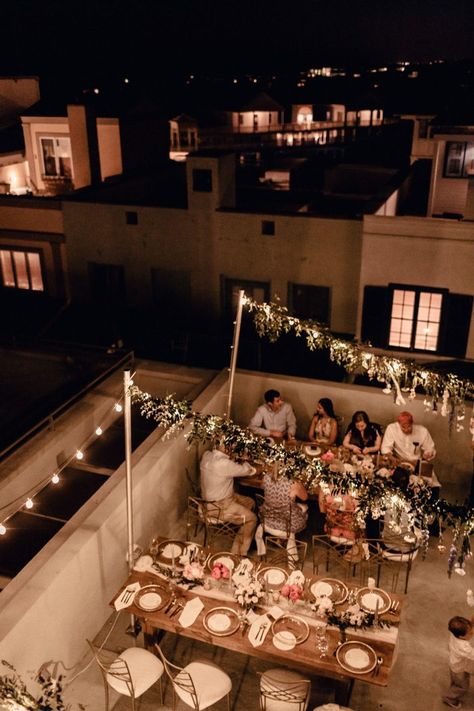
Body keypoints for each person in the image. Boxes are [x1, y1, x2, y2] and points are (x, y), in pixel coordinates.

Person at [200, 445, 257, 555]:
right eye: (232, 445)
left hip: (207, 502)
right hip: (219, 507)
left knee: (251, 502)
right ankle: (238, 554)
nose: (234, 447)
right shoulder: (224, 464)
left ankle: (247, 536)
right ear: (227, 448)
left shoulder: (206, 455)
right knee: (252, 519)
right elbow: (248, 470)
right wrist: (245, 459)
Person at [262, 466, 308, 534]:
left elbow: (262, 486)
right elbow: (305, 497)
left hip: (267, 519)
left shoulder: (266, 477)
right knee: (305, 507)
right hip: (289, 525)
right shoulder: (293, 483)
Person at [442, 616, 474, 707]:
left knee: (456, 681)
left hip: (455, 664)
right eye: (471, 633)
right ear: (461, 636)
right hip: (459, 669)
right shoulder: (463, 647)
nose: (473, 633)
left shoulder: (454, 633)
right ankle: (449, 698)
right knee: (462, 686)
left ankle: (454, 686)